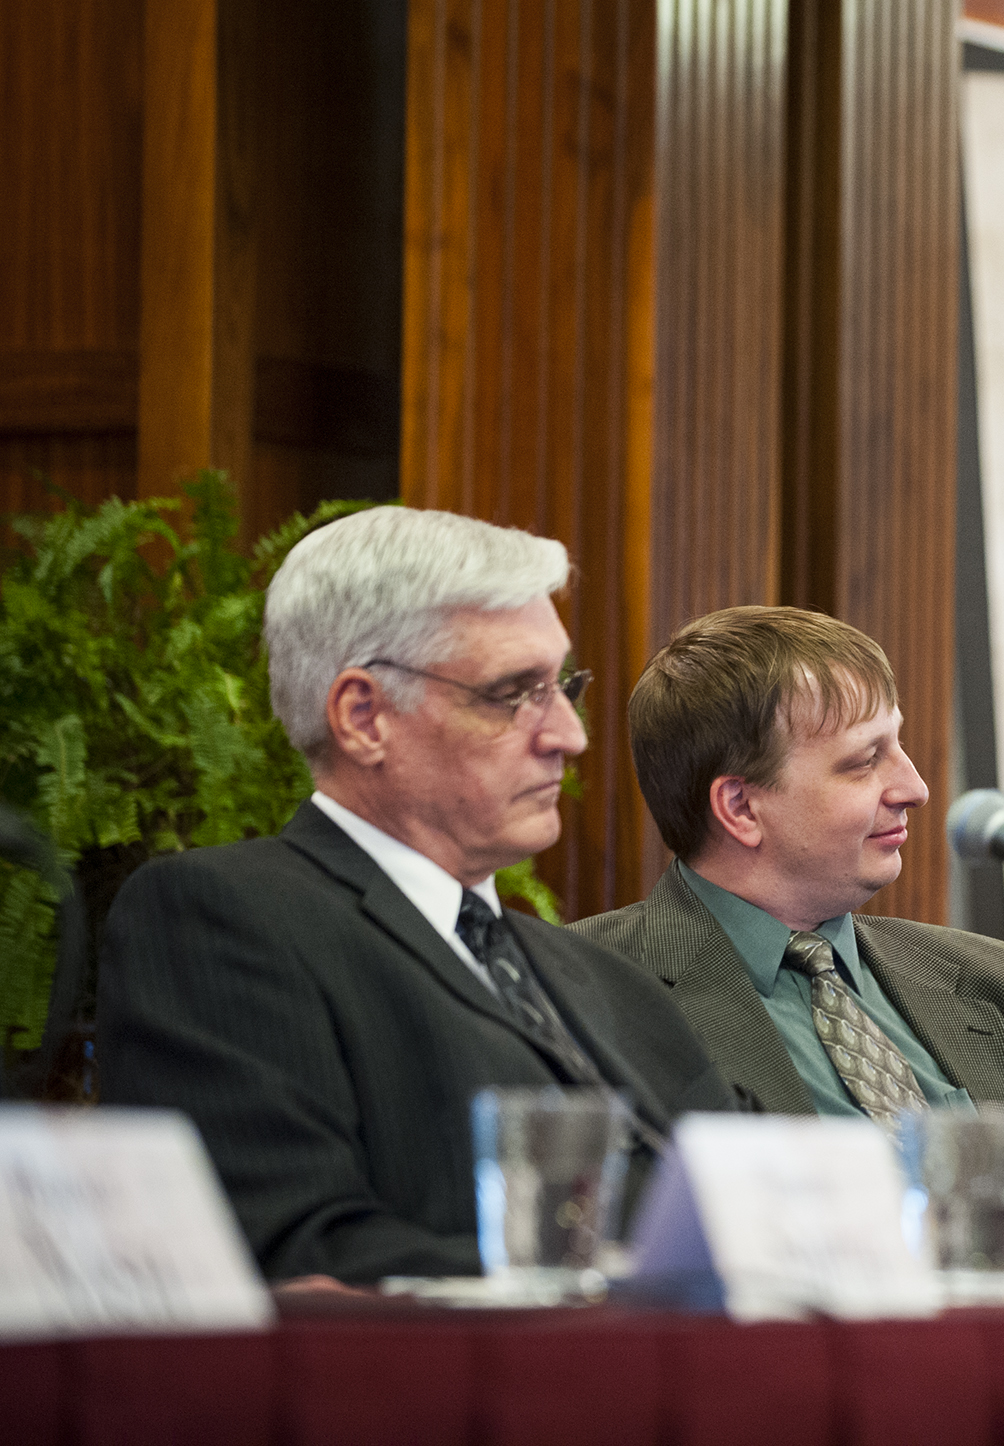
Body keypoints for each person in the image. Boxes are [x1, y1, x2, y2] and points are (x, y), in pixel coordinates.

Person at [99, 507, 741, 1282]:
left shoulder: (613, 984)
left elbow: (742, 1214)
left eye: (562, 686)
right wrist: (614, 1285)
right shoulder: (222, 920)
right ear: (364, 717)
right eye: (514, 693)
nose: (569, 735)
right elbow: (296, 1248)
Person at [572, 605, 1004, 1223]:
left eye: (897, 746)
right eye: (864, 761)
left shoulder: (978, 976)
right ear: (740, 807)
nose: (915, 788)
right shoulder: (589, 991)